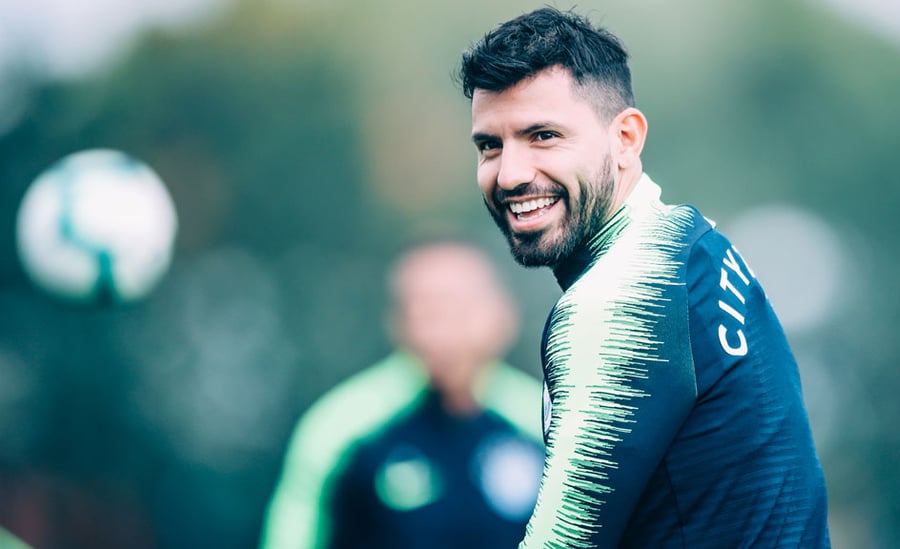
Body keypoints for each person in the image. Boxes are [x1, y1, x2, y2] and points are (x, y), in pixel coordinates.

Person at [457, 7, 831, 548]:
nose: (510, 174)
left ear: (626, 139)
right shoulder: (695, 244)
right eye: (489, 145)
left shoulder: (620, 298)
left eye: (542, 136)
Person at [260, 241, 544, 549]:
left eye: (460, 309)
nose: (442, 330)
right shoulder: (341, 429)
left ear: (503, 317)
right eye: (427, 310)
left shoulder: (546, 427)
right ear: (397, 323)